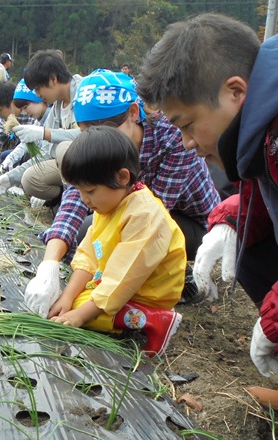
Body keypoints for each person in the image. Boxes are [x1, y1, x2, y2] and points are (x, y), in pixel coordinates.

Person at [136, 13, 278, 418]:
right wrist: (230, 220)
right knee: (246, 246)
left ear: (235, 92)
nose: (187, 144)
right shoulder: (272, 118)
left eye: (186, 125)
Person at [24, 69, 221, 317]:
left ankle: (182, 279)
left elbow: (152, 218)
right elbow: (74, 202)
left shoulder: (173, 140)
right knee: (82, 236)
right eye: (86, 133)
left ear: (132, 113)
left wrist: (86, 309)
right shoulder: (100, 147)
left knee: (103, 235)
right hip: (138, 214)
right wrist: (49, 265)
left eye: (107, 129)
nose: (97, 140)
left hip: (189, 224)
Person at [48, 126, 186, 357]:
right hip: (117, 282)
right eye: (80, 191)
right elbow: (89, 256)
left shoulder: (144, 215)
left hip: (147, 293)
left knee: (85, 313)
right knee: (70, 304)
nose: (85, 200)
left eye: (90, 190)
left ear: (122, 177)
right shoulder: (109, 204)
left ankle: (156, 320)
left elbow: (123, 278)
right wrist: (67, 296)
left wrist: (80, 315)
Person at [14, 49, 82, 205]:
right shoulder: (57, 106)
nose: (37, 95)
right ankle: (60, 200)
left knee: (63, 149)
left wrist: (46, 133)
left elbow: (89, 134)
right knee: (30, 179)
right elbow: (45, 151)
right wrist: (10, 177)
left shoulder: (83, 93)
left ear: (52, 79)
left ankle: (75, 204)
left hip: (90, 163)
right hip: (68, 166)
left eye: (38, 88)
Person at [0, 79, 50, 196]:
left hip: (51, 164)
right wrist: (12, 157)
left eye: (25, 107)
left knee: (29, 178)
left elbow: (46, 153)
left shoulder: (44, 116)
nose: (24, 112)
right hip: (42, 160)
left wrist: (12, 177)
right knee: (7, 157)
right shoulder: (37, 117)